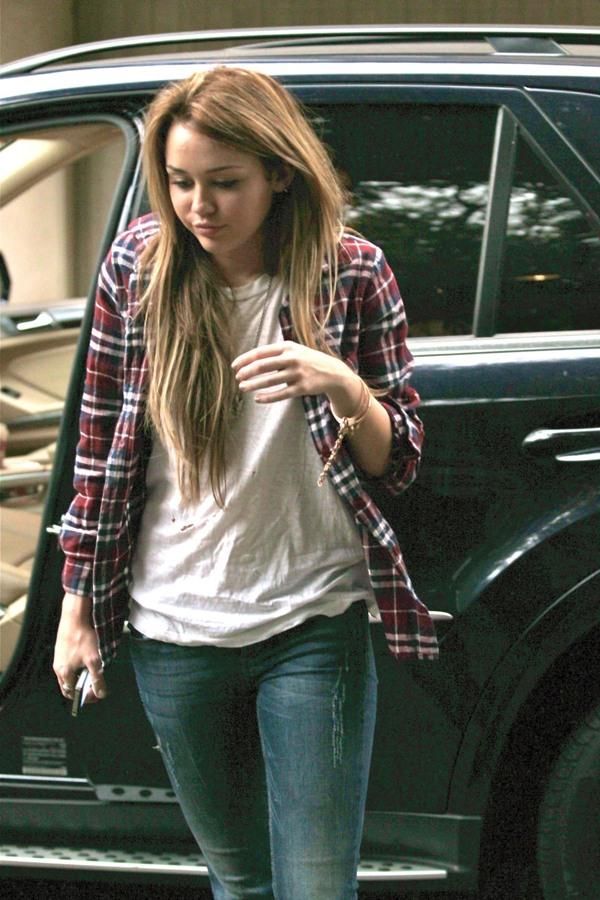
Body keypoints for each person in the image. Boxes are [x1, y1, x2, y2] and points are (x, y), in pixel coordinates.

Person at [53, 67, 438, 899]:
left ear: (280, 173)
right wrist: (76, 606)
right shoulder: (138, 269)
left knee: (316, 887)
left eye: (225, 183)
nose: (200, 206)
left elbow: (400, 458)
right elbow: (98, 449)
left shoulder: (352, 272)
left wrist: (342, 383)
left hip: (313, 621)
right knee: (238, 882)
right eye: (180, 182)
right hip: (172, 627)